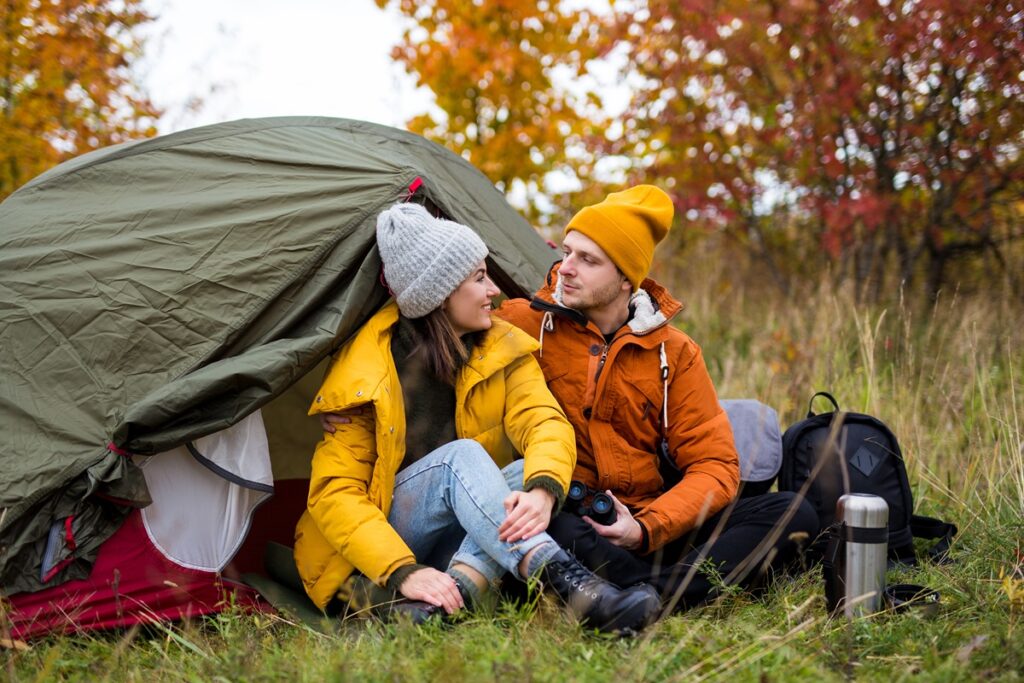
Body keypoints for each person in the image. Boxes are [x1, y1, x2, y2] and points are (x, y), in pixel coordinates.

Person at [294, 202, 660, 634]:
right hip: (370, 557)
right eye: (479, 278)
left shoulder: (502, 347)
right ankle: (576, 591)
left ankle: (443, 606)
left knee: (529, 472)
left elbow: (545, 422)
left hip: (465, 536)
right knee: (459, 459)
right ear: (440, 291)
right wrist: (400, 570)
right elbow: (335, 494)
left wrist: (543, 492)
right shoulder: (368, 369)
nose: (495, 292)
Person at [492, 185, 820, 610]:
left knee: (793, 511)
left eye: (587, 260)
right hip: (569, 515)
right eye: (568, 251)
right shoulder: (523, 322)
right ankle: (666, 592)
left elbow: (715, 465)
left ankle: (644, 595)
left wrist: (646, 527)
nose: (566, 268)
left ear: (626, 278)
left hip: (649, 523)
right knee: (545, 524)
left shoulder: (675, 351)